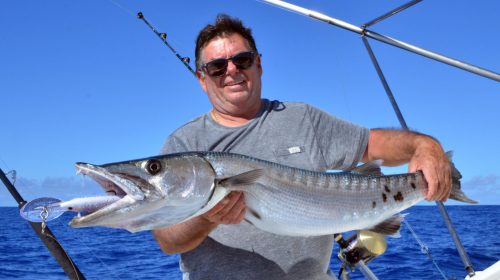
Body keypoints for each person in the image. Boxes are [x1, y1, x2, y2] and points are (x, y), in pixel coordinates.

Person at [153, 14, 452, 280]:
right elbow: (167, 239)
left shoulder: (302, 118)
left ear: (258, 64)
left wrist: (425, 146)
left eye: (241, 60)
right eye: (217, 67)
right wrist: (207, 218)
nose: (231, 71)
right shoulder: (184, 144)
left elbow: (372, 145)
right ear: (202, 79)